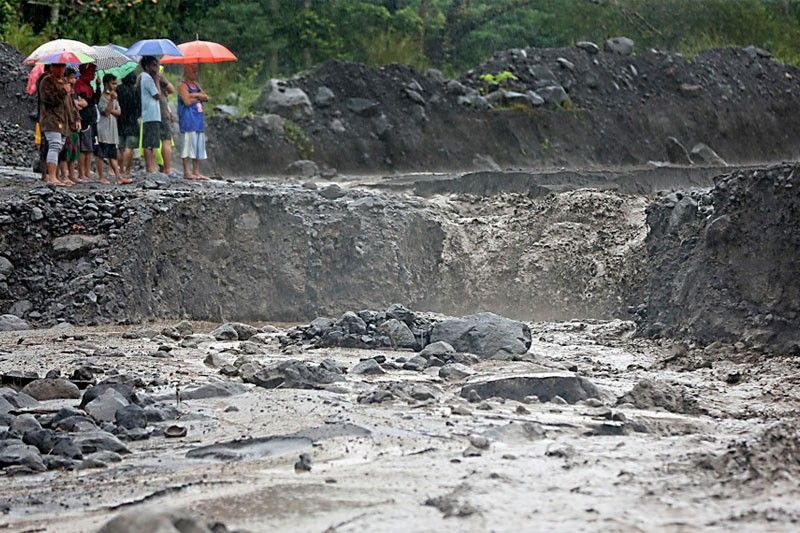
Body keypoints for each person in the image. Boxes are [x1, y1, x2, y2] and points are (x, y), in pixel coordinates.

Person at [39, 63, 72, 186]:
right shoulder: (46, 81)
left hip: (63, 119)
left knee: (60, 146)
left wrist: (73, 119)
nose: (61, 69)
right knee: (54, 144)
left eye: (63, 67)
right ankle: (51, 176)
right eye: (58, 66)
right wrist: (63, 91)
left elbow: (68, 104)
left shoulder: (63, 81)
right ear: (51, 67)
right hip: (51, 119)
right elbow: (49, 99)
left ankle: (55, 176)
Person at [177, 63, 209, 180]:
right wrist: (197, 96)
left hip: (198, 121)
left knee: (198, 146)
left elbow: (206, 97)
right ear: (186, 70)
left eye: (196, 70)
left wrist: (194, 96)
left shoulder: (196, 84)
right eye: (193, 70)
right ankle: (186, 171)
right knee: (187, 145)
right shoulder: (182, 86)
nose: (196, 73)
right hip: (188, 120)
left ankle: (196, 171)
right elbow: (187, 102)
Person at [95, 73, 128, 184]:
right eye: (113, 83)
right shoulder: (102, 97)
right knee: (101, 154)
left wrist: (112, 105)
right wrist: (111, 102)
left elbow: (119, 111)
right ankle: (100, 176)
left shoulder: (115, 97)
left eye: (115, 83)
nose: (115, 86)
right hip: (103, 129)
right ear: (106, 83)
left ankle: (118, 177)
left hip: (112, 130)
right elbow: (106, 112)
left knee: (112, 154)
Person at [74, 63, 101, 181]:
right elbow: (83, 102)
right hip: (84, 119)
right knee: (83, 148)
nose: (94, 75)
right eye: (92, 72)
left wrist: (99, 86)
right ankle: (82, 173)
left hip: (91, 119)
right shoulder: (79, 85)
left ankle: (87, 172)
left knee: (89, 148)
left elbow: (94, 100)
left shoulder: (89, 85)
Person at [58, 67, 81, 184]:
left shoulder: (71, 92)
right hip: (64, 123)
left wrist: (77, 119)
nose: (74, 80)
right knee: (64, 151)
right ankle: (64, 175)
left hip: (72, 123)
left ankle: (72, 174)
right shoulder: (62, 89)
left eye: (75, 78)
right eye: (72, 78)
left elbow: (74, 107)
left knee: (73, 150)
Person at [139, 56, 161, 173]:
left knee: (152, 143)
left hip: (152, 114)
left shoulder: (146, 77)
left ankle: (152, 166)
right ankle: (150, 167)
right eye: (154, 65)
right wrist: (157, 80)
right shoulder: (147, 78)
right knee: (149, 143)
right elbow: (157, 95)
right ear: (147, 66)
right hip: (151, 114)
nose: (156, 68)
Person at [116, 72, 139, 180]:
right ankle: (127, 171)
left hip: (119, 121)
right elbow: (139, 107)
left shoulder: (118, 89)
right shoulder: (135, 91)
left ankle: (120, 170)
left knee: (121, 147)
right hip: (132, 122)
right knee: (129, 148)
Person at [157, 67, 177, 177]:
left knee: (153, 142)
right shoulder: (159, 76)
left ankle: (156, 167)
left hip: (151, 113)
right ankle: (167, 169)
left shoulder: (143, 77)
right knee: (166, 140)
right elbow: (172, 90)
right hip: (161, 111)